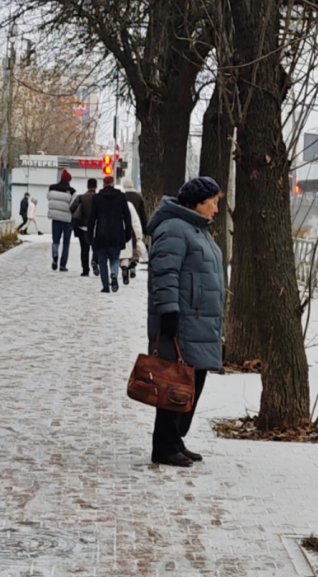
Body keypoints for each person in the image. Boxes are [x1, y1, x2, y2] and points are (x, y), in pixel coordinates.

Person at [147, 177, 224, 467]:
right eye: (212, 202)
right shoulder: (174, 229)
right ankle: (164, 446)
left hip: (199, 321)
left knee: (191, 384)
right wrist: (168, 312)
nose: (216, 209)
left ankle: (175, 440)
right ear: (196, 202)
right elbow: (165, 273)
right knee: (174, 385)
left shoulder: (196, 229)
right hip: (182, 322)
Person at [88, 175, 134, 293]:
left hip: (101, 234)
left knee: (102, 261)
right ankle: (114, 275)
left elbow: (92, 219)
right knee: (114, 258)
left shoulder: (97, 198)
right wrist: (128, 233)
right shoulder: (121, 197)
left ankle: (105, 286)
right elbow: (127, 217)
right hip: (117, 234)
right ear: (113, 183)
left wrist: (90, 236)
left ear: (103, 184)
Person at [46, 170, 75, 271]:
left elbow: (48, 197)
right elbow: (73, 205)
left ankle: (55, 256)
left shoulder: (52, 188)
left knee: (55, 241)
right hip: (67, 220)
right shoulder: (72, 191)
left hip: (56, 219)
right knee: (66, 243)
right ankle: (62, 265)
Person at [71, 178, 99, 277]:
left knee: (84, 249)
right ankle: (95, 261)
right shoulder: (98, 197)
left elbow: (72, 208)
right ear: (96, 186)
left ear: (87, 186)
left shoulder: (81, 197)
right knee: (96, 248)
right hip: (96, 228)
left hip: (82, 227)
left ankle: (85, 270)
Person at [121, 194, 146, 284]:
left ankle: (120, 269)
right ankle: (128, 266)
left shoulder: (110, 203)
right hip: (129, 232)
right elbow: (135, 221)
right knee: (129, 252)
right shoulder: (129, 205)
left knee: (119, 254)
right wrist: (139, 235)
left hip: (114, 233)